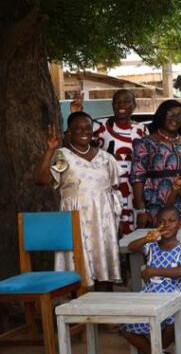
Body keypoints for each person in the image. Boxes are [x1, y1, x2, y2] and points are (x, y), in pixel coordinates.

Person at [34, 112, 122, 291]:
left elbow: (115, 188)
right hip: (76, 218)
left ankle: (106, 305)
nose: (84, 132)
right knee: (77, 265)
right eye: (78, 129)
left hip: (102, 220)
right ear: (70, 131)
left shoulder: (105, 158)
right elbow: (41, 180)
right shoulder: (64, 157)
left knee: (103, 266)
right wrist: (50, 150)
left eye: (88, 128)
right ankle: (78, 305)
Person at [121, 206, 181, 354]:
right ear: (156, 225)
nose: (166, 225)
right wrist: (148, 238)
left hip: (173, 297)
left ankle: (157, 353)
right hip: (150, 298)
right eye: (161, 222)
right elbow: (131, 247)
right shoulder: (151, 247)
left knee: (177, 318)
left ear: (180, 224)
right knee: (126, 326)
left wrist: (153, 271)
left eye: (171, 221)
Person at [87, 89, 148, 234]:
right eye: (117, 101)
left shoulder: (141, 129)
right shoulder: (98, 126)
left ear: (134, 105)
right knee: (109, 226)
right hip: (107, 184)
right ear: (112, 105)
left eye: (126, 101)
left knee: (133, 226)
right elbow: (80, 147)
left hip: (135, 186)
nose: (121, 105)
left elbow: (146, 161)